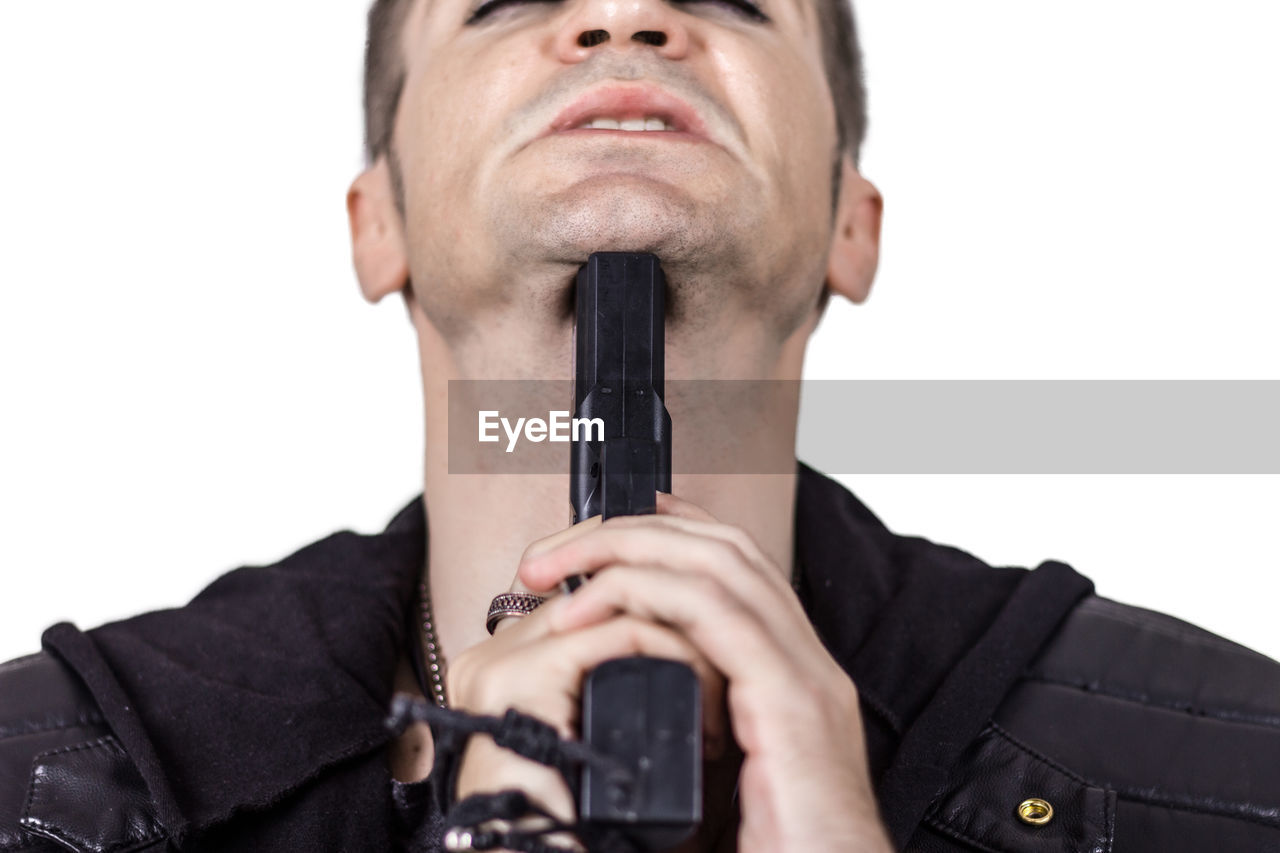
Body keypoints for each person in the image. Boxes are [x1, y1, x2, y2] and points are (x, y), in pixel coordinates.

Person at [2, 1, 1278, 852]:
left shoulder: (1235, 769)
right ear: (371, 224)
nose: (624, 19)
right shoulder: (34, 784)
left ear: (854, 223)